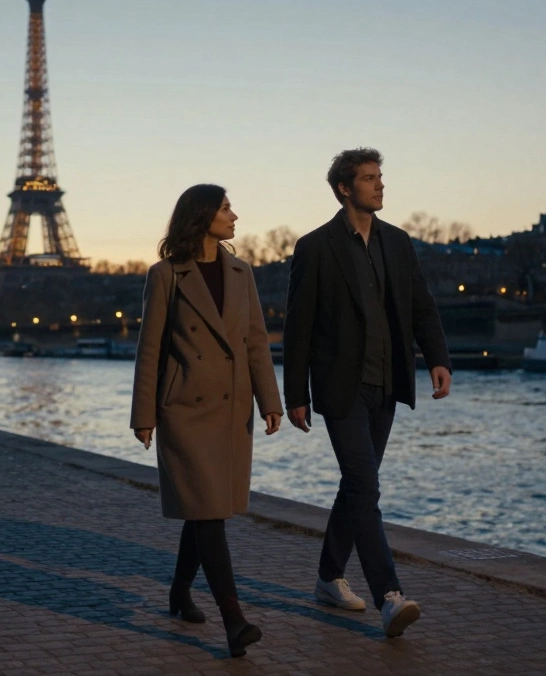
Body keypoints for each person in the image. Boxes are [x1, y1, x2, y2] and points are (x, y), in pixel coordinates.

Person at [283, 148, 452, 639]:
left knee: (358, 485)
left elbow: (421, 305)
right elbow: (299, 326)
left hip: (387, 381)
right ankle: (389, 597)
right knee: (366, 485)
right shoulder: (315, 247)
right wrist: (296, 392)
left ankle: (327, 577)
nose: (381, 186)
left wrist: (437, 358)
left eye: (381, 177)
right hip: (340, 386)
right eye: (370, 178)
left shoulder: (397, 243)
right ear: (343, 188)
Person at [130, 184, 283, 658]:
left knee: (205, 510)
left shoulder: (242, 272)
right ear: (202, 216)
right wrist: (144, 414)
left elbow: (256, 342)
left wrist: (269, 401)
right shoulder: (165, 275)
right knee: (208, 513)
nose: (234, 215)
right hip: (185, 411)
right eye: (225, 207)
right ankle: (234, 620)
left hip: (230, 408)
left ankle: (179, 590)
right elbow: (150, 348)